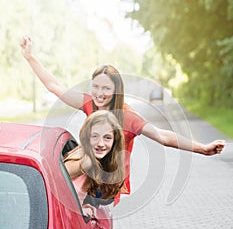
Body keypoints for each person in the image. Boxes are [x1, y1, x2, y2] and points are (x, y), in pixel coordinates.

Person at [20, 35, 226, 203]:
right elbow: (54, 86)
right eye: (96, 87)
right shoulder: (90, 104)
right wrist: (30, 57)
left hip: (105, 188)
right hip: (87, 179)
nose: (99, 94)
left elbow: (164, 137)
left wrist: (202, 148)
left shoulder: (128, 117)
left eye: (106, 89)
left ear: (117, 90)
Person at [63, 110, 125, 217]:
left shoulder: (104, 162)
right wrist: (79, 210)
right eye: (95, 136)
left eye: (107, 138)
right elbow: (55, 186)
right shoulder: (85, 162)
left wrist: (83, 206)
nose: (100, 143)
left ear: (115, 140)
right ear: (86, 136)